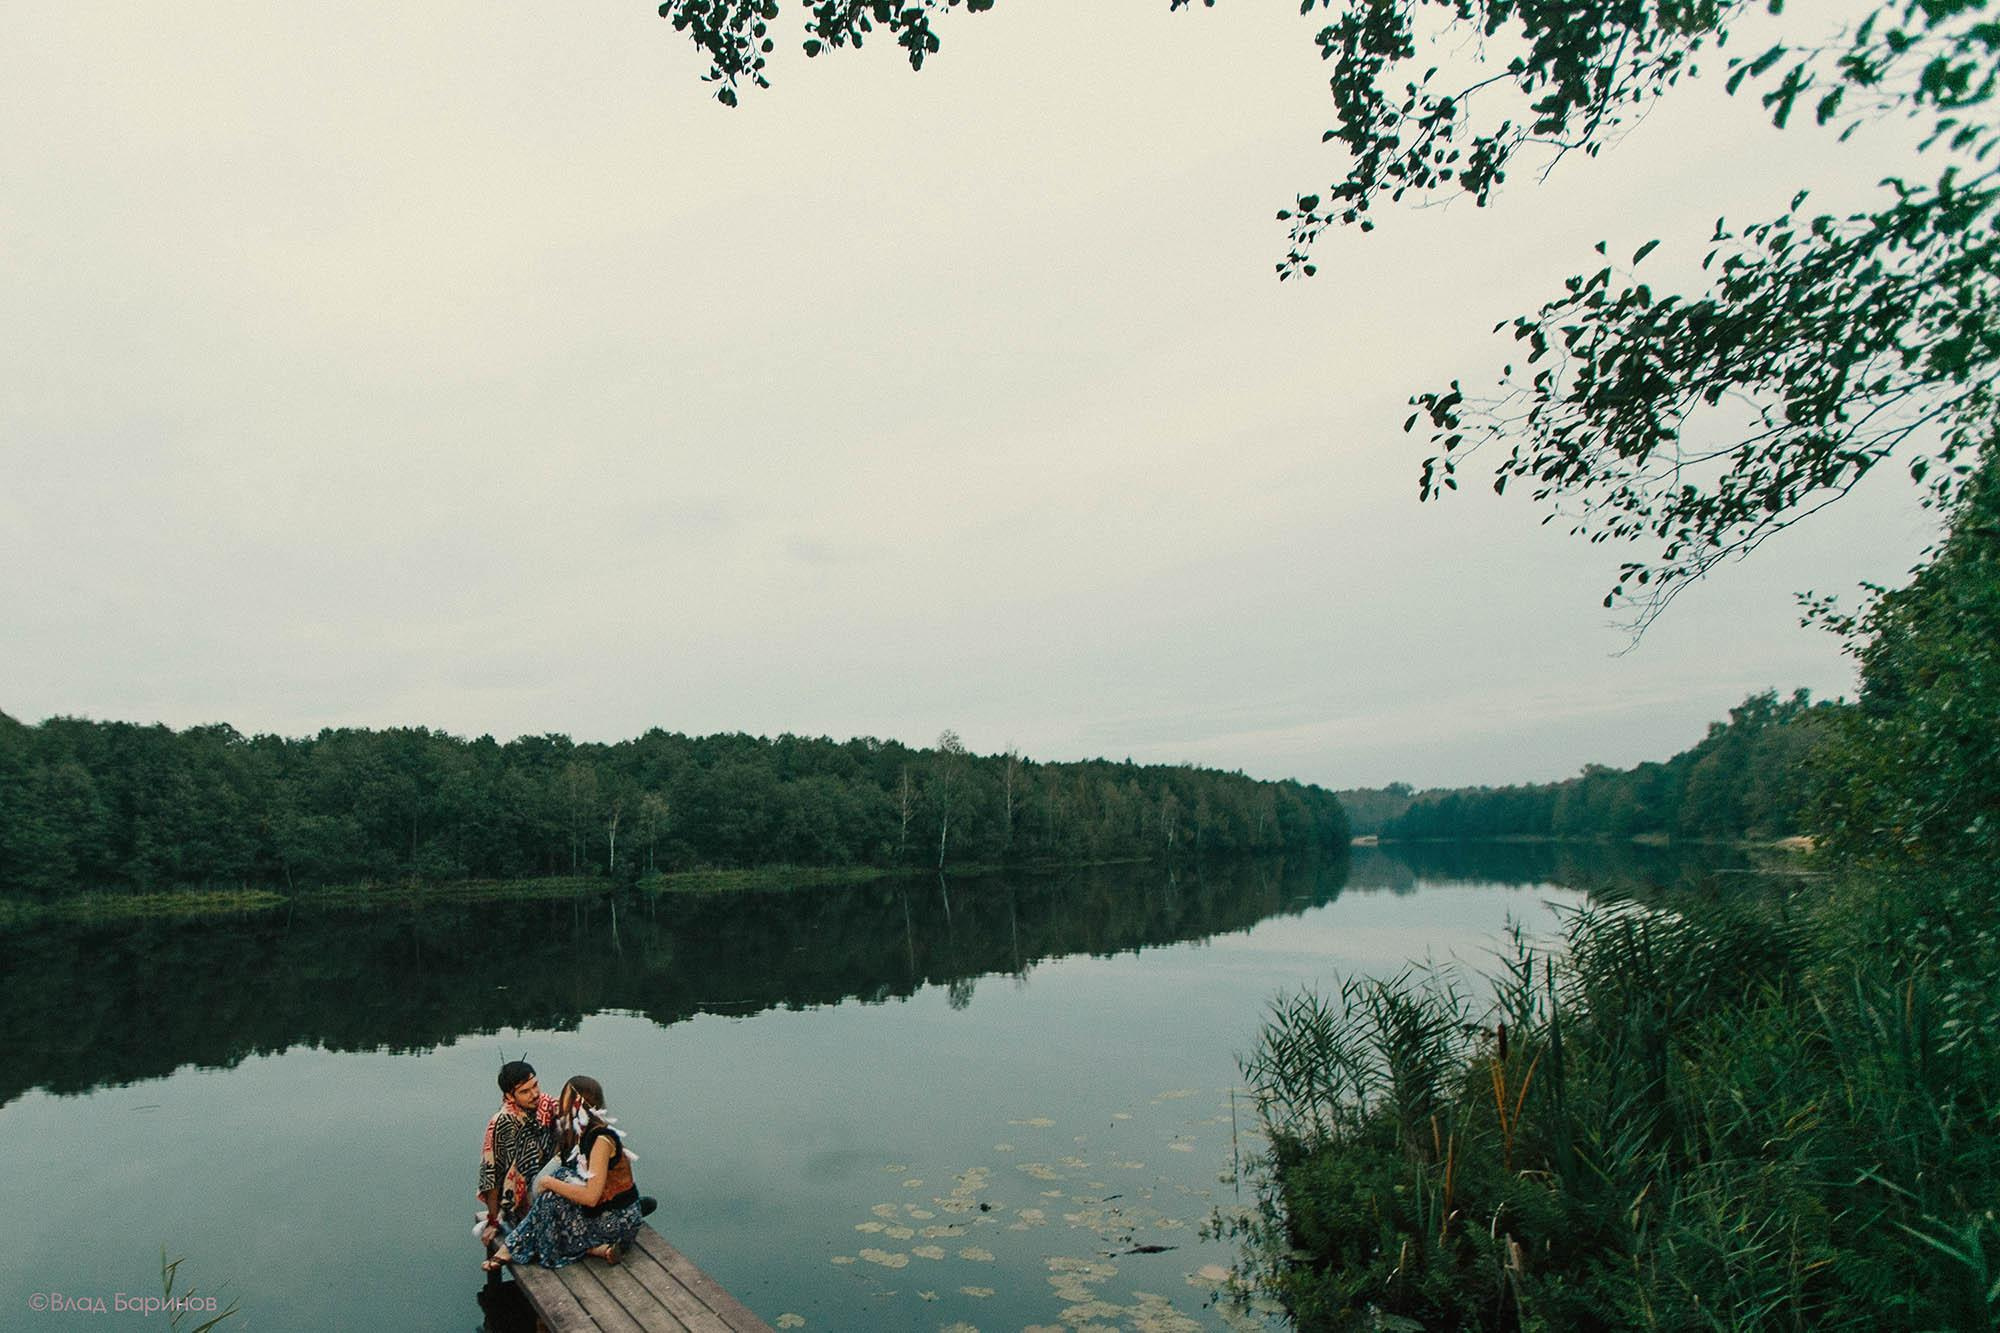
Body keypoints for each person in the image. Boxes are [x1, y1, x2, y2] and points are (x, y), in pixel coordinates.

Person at [483, 1075, 646, 1270]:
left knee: (553, 1192)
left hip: (618, 1221)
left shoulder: (601, 1139)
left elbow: (591, 1197)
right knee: (555, 1189)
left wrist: (548, 1183)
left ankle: (510, 1249)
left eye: (565, 1098)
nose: (560, 1103)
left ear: (577, 1103)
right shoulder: (580, 1133)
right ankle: (598, 1249)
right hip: (602, 1211)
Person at [476, 1061, 557, 1249]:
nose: (534, 1094)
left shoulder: (545, 1104)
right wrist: (493, 1220)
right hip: (523, 1197)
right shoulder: (503, 1122)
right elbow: (491, 1174)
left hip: (550, 1180)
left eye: (535, 1086)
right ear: (509, 1096)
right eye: (525, 1091)